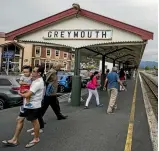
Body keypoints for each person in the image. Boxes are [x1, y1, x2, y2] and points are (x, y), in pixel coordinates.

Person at [2, 65, 45, 148]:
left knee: (34, 122)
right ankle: (14, 139)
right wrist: (26, 90)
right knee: (20, 120)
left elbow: (27, 95)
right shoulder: (35, 80)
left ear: (39, 73)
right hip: (27, 105)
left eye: (34, 71)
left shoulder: (38, 82)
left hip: (33, 106)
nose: (31, 73)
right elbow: (30, 91)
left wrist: (20, 93)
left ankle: (36, 138)